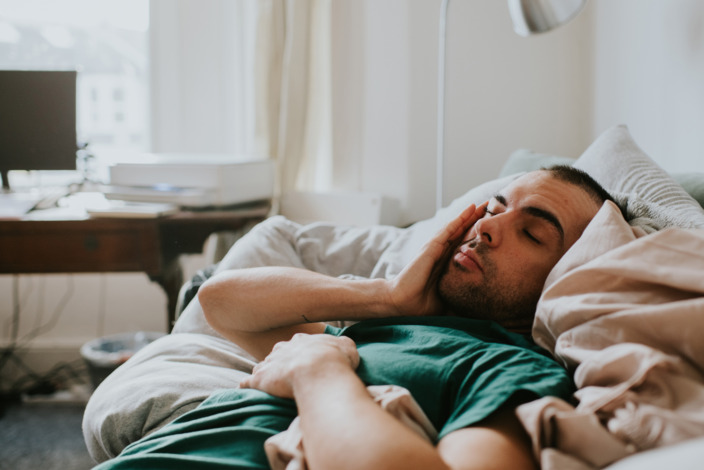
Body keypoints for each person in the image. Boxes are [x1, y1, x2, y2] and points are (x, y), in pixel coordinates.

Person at [94, 166, 614, 470]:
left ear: (567, 273)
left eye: (533, 233)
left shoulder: (514, 372)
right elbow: (221, 303)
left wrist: (316, 372)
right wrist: (387, 296)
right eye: (495, 209)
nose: (489, 229)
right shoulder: (390, 328)